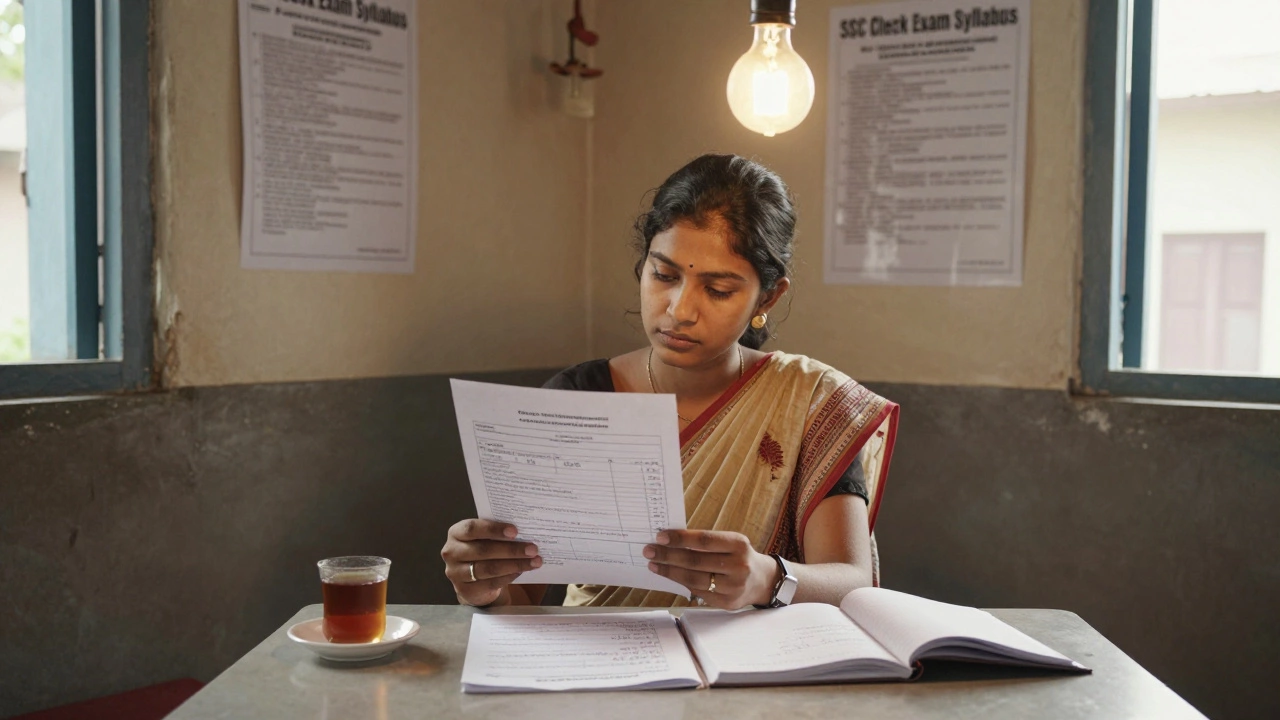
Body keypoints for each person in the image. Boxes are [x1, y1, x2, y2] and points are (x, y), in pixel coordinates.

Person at [441, 154, 898, 610]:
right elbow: (518, 598)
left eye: (718, 290)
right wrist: (482, 582)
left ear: (769, 295)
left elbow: (852, 584)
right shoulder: (579, 397)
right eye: (664, 275)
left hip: (751, 671)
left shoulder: (807, 403)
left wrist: (767, 578)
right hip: (599, 669)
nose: (679, 310)